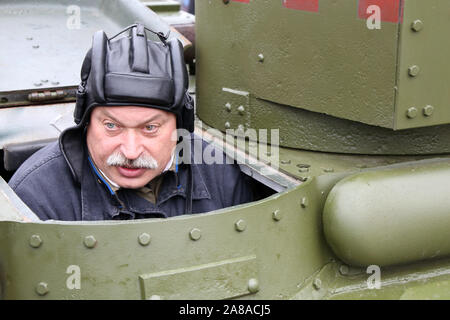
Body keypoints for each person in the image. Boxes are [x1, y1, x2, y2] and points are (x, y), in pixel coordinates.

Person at [9, 24, 253, 221]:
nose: (131, 151)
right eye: (112, 126)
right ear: (85, 121)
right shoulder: (37, 195)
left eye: (150, 128)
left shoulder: (220, 174)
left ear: (180, 127)